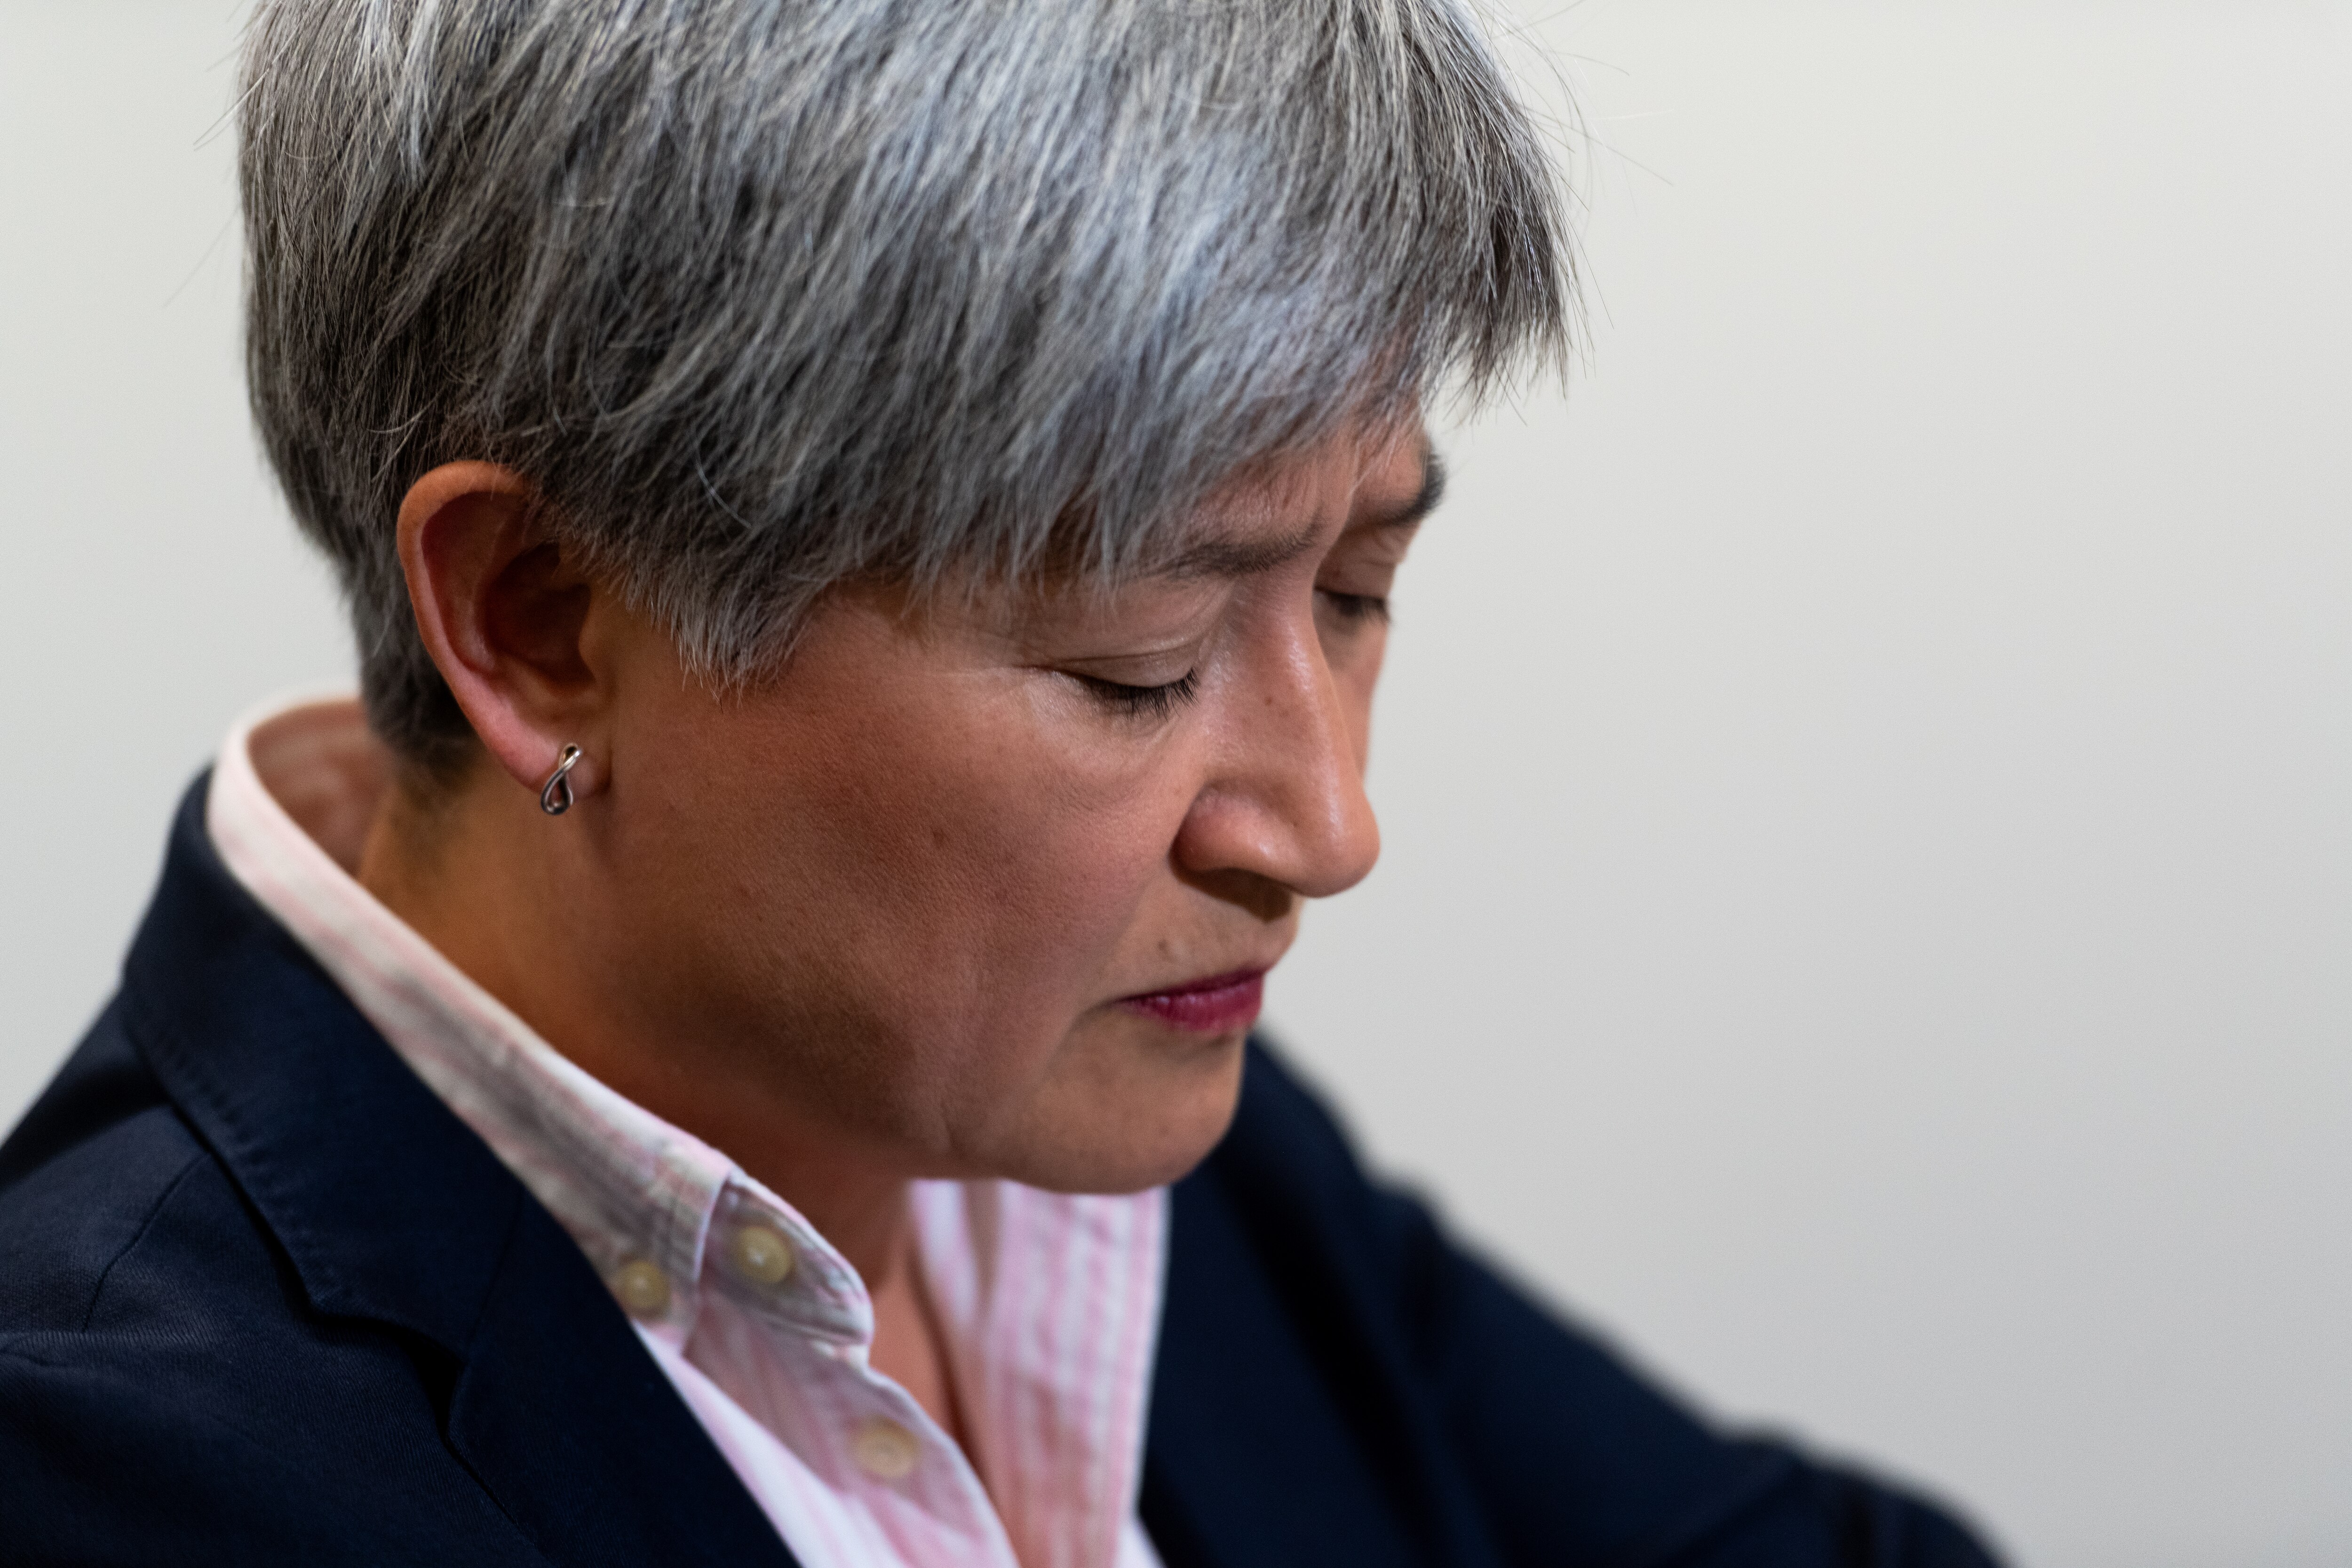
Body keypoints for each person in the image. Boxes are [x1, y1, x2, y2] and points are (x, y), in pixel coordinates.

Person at [0, 1, 2001, 1563]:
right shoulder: (119, 1478)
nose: (1325, 830)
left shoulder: (1100, 1141)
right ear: (539, 619)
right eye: (1136, 668)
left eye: (1363, 585)